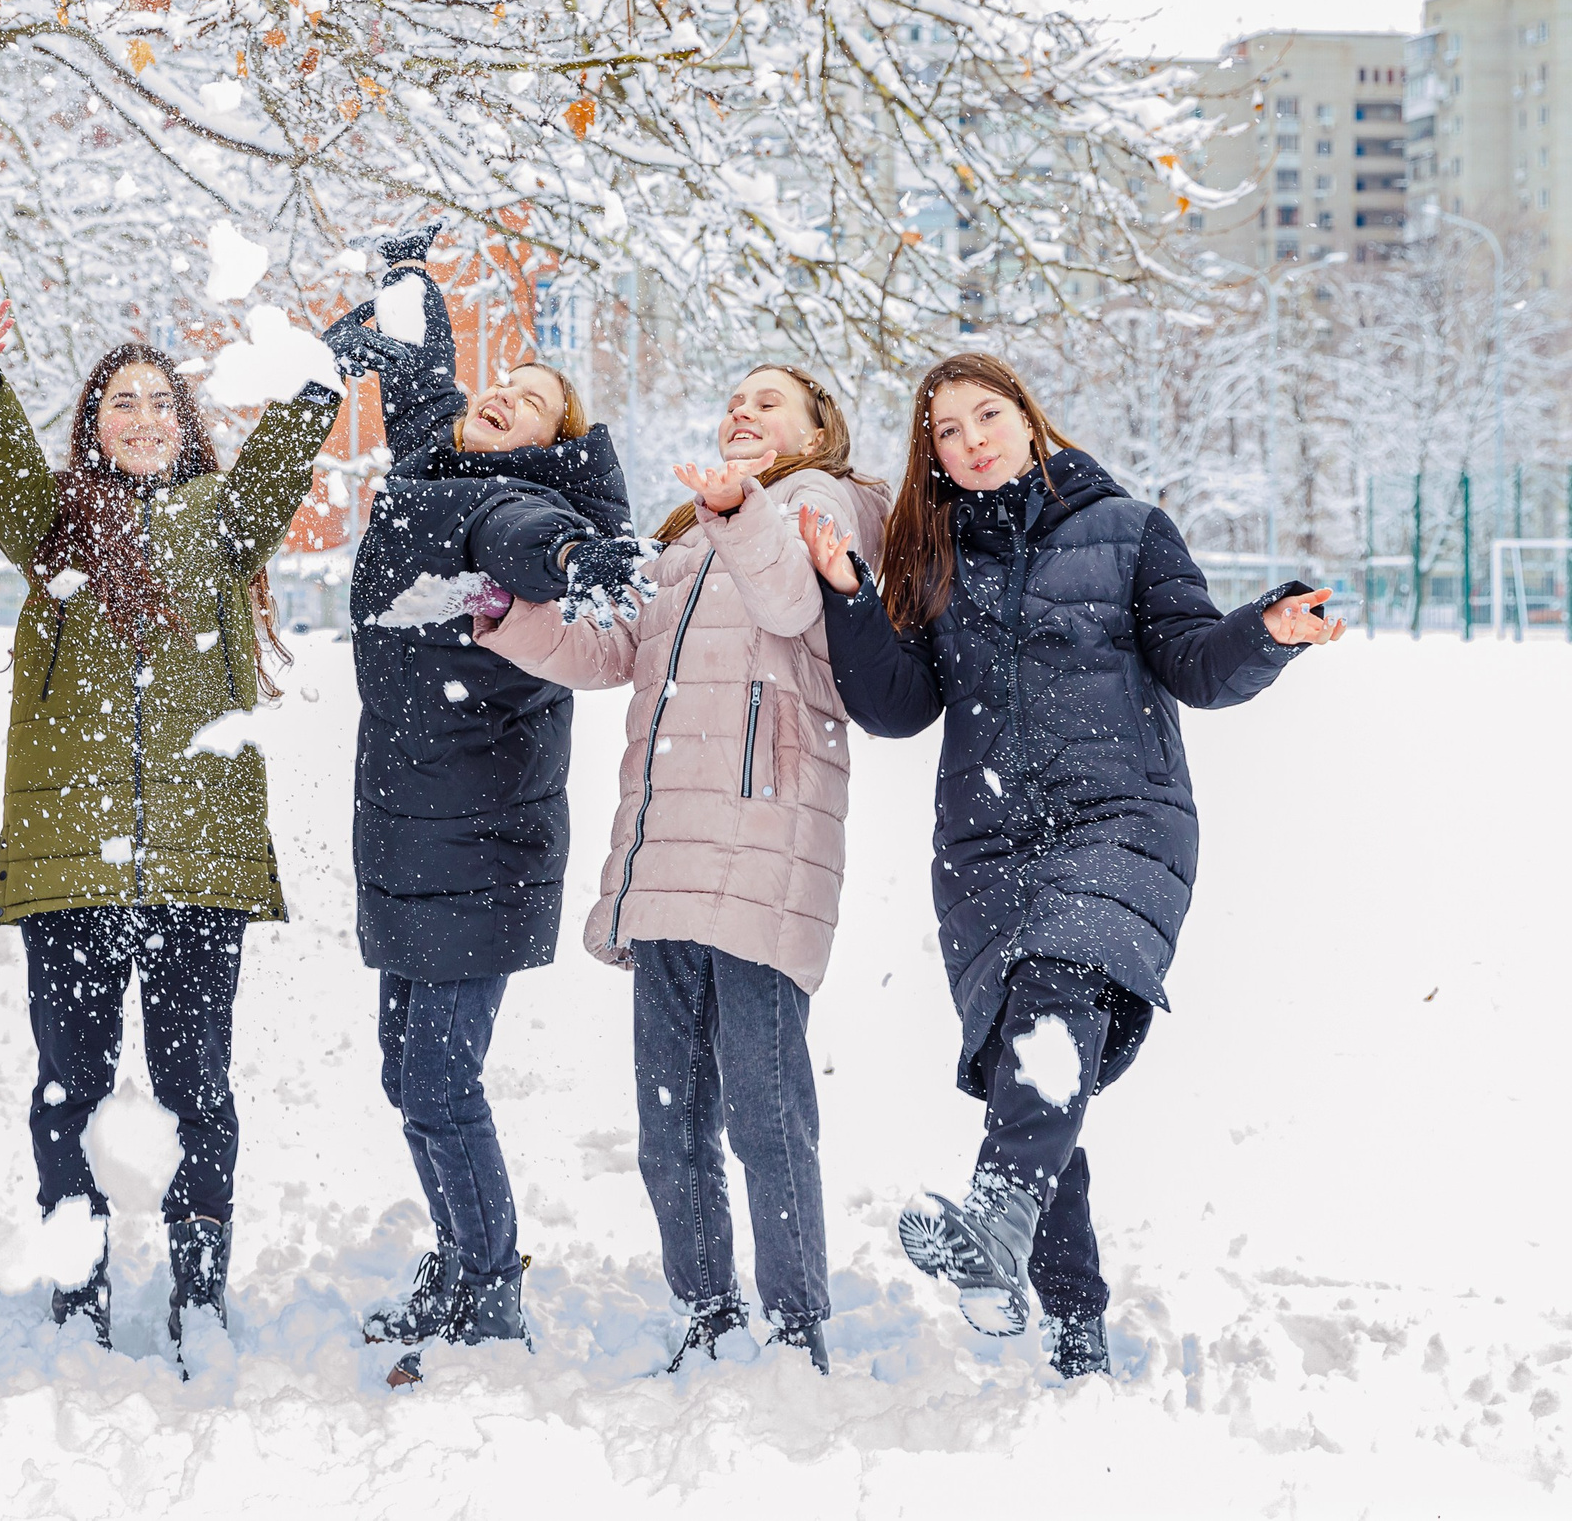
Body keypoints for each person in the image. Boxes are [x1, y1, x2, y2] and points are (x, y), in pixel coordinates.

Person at [799, 351, 1343, 1379]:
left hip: (1121, 816)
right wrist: (850, 598)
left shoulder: (1128, 530)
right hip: (984, 844)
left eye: (985, 415)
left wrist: (1264, 632)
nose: (969, 441)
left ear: (1029, 417)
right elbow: (896, 709)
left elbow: (1191, 661)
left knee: (1059, 982)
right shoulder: (931, 560)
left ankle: (1000, 1224)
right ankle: (1069, 1320)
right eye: (945, 433)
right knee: (1028, 1074)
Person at [0, 285, 343, 1365]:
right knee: (68, 1089)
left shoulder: (225, 526)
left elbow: (279, 460)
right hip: (72, 859)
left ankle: (198, 1289)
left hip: (199, 857)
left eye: (159, 403)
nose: (141, 418)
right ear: (92, 423)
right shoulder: (53, 528)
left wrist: (327, 372)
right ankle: (76, 1292)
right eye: (119, 402)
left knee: (197, 1087)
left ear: (185, 424)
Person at [478, 363, 887, 1374]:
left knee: (764, 1112)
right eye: (735, 396)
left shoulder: (821, 505)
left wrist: (739, 510)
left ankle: (795, 1326)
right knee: (670, 1122)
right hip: (664, 852)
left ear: (814, 430)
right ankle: (706, 1309)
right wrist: (512, 622)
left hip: (760, 847)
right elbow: (610, 651)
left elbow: (793, 607)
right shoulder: (685, 539)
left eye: (769, 401)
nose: (743, 409)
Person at [325, 224, 643, 1357]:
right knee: (403, 1071)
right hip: (409, 833)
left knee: (434, 1076)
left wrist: (572, 564)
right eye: (500, 385)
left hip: (484, 840)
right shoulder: (431, 462)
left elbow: (527, 533)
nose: (503, 398)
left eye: (534, 399)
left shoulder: (499, 500)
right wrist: (402, 277)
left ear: (554, 443)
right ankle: (462, 1259)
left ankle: (488, 1282)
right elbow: (422, 372)